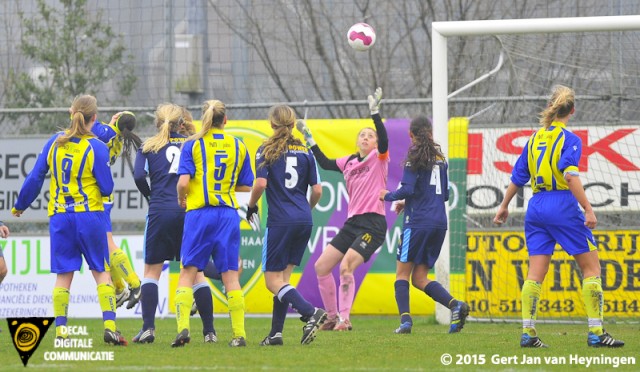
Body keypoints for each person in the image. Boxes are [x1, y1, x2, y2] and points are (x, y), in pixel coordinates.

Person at [493, 85, 624, 348]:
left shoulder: (533, 139)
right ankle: (596, 332)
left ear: (552, 108)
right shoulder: (570, 139)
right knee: (591, 268)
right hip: (561, 205)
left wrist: (504, 206)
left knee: (535, 273)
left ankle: (528, 333)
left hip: (536, 206)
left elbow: (518, 177)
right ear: (571, 110)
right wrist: (587, 207)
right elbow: (570, 175)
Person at [12, 94, 127, 345]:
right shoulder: (96, 146)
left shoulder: (55, 142)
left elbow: (35, 177)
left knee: (63, 275)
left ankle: (62, 331)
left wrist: (20, 206)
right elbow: (107, 188)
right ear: (94, 118)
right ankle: (109, 327)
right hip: (90, 216)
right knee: (101, 271)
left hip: (61, 217)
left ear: (70, 113)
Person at [297, 87, 388, 331]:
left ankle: (344, 319)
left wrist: (375, 114)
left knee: (347, 266)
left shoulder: (379, 159)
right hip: (352, 224)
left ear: (376, 143)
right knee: (321, 267)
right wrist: (309, 137)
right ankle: (330, 316)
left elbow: (385, 139)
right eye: (363, 135)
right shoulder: (348, 161)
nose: (366, 137)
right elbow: (326, 164)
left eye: (370, 135)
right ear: (357, 141)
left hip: (373, 224)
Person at [132, 103, 216, 344]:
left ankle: (148, 328)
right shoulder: (193, 144)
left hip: (160, 210)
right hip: (189, 211)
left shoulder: (148, 146)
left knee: (151, 271)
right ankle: (209, 332)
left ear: (158, 123)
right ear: (182, 123)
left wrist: (151, 196)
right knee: (196, 272)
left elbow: (138, 176)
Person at [172, 99, 254, 347]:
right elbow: (247, 185)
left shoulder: (193, 144)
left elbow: (183, 183)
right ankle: (239, 335)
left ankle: (183, 329)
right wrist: (226, 186)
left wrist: (181, 199)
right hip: (228, 214)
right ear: (225, 120)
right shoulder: (239, 146)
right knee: (230, 276)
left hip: (200, 214)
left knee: (187, 272)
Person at [379, 116, 469, 335]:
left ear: (411, 135)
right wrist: (407, 202)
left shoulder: (414, 156)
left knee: (402, 274)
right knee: (419, 278)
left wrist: (388, 196)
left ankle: (405, 322)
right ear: (430, 133)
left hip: (417, 223)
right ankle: (456, 305)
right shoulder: (441, 159)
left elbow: (408, 188)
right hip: (439, 223)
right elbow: (445, 194)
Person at [246, 104, 326, 346]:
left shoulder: (266, 149)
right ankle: (276, 334)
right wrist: (306, 209)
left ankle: (311, 312)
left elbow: (260, 184)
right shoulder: (305, 151)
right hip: (303, 219)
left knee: (272, 281)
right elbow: (318, 190)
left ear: (271, 124)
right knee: (283, 280)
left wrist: (251, 207)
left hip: (280, 221)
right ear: (293, 125)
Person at [91, 111, 143, 309]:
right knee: (101, 247)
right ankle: (120, 289)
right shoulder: (118, 138)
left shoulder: (106, 133)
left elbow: (88, 122)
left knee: (107, 243)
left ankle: (135, 283)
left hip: (98, 198)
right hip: (99, 197)